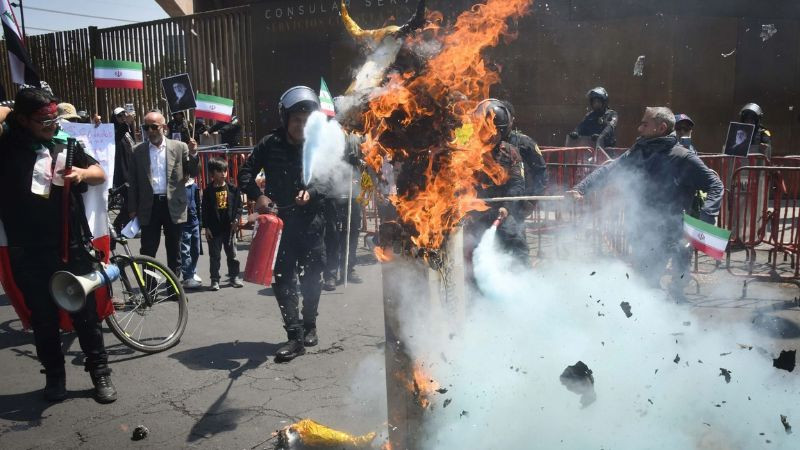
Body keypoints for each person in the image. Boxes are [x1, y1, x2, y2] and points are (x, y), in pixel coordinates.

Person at [0, 88, 117, 403]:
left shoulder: (67, 143)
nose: (52, 125)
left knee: (85, 314)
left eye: (55, 118)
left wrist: (82, 173)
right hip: (27, 247)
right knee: (43, 318)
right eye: (43, 120)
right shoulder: (7, 147)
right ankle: (54, 378)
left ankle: (100, 375)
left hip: (70, 244)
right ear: (23, 120)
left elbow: (99, 172)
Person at [567, 106, 723, 302]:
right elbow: (610, 169)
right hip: (641, 229)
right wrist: (582, 188)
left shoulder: (683, 157)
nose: (639, 128)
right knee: (645, 284)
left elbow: (715, 184)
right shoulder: (637, 152)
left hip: (671, 231)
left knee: (668, 281)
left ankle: (674, 306)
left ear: (661, 127)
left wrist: (707, 216)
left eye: (644, 124)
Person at [238, 86, 326, 362]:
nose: (301, 126)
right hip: (280, 225)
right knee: (284, 280)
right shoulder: (269, 143)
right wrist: (259, 196)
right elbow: (245, 173)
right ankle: (294, 336)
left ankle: (310, 323)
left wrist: (311, 192)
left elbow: (328, 179)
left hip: (312, 222)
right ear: (285, 118)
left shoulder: (319, 144)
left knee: (312, 277)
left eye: (306, 120)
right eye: (296, 119)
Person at [128, 111, 199, 275]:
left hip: (173, 205)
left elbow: (193, 172)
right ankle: (150, 289)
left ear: (164, 128)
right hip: (149, 206)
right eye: (146, 127)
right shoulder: (137, 151)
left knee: (174, 249)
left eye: (154, 127)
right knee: (148, 250)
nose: (150, 131)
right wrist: (132, 208)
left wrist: (194, 153)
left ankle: (173, 289)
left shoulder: (179, 147)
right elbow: (132, 183)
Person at [465, 99, 528, 267]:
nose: (490, 136)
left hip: (503, 212)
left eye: (494, 132)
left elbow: (517, 184)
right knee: (470, 253)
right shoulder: (467, 154)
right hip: (477, 214)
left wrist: (507, 205)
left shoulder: (509, 153)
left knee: (517, 245)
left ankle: (524, 283)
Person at [203, 158, 243, 291]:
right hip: (214, 229)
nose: (223, 173)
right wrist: (206, 227)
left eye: (225, 170)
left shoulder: (233, 189)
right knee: (215, 256)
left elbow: (239, 207)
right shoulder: (208, 191)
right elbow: (205, 210)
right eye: (219, 171)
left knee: (232, 254)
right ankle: (214, 279)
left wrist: (237, 219)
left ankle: (234, 277)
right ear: (212, 174)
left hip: (229, 228)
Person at [323, 172, 363, 291]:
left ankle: (348, 269)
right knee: (332, 236)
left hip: (352, 193)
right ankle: (331, 274)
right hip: (332, 195)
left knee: (352, 233)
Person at [111, 107, 135, 237]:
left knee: (131, 201)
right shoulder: (115, 131)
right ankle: (118, 225)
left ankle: (123, 226)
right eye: (119, 116)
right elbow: (118, 134)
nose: (123, 117)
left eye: (124, 115)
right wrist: (126, 123)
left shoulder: (127, 132)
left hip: (130, 171)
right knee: (129, 201)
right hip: (122, 173)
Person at [181, 175, 203, 289]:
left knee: (196, 249)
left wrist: (200, 221)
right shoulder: (179, 186)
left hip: (194, 222)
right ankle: (187, 276)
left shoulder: (194, 185)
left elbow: (198, 203)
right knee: (185, 251)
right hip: (183, 224)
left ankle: (192, 271)